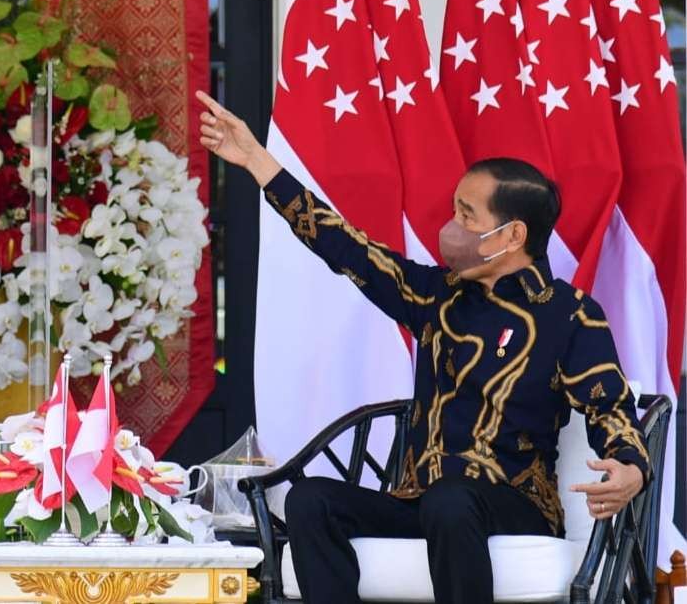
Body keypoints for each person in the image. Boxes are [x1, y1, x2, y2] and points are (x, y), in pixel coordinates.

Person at [194, 91, 649, 604]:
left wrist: (629, 465)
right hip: (422, 499)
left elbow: (610, 406)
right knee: (311, 499)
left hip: (515, 502)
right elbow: (345, 246)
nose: (452, 228)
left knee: (451, 503)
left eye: (467, 215)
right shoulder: (436, 295)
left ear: (513, 233)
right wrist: (257, 161)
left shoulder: (570, 315)